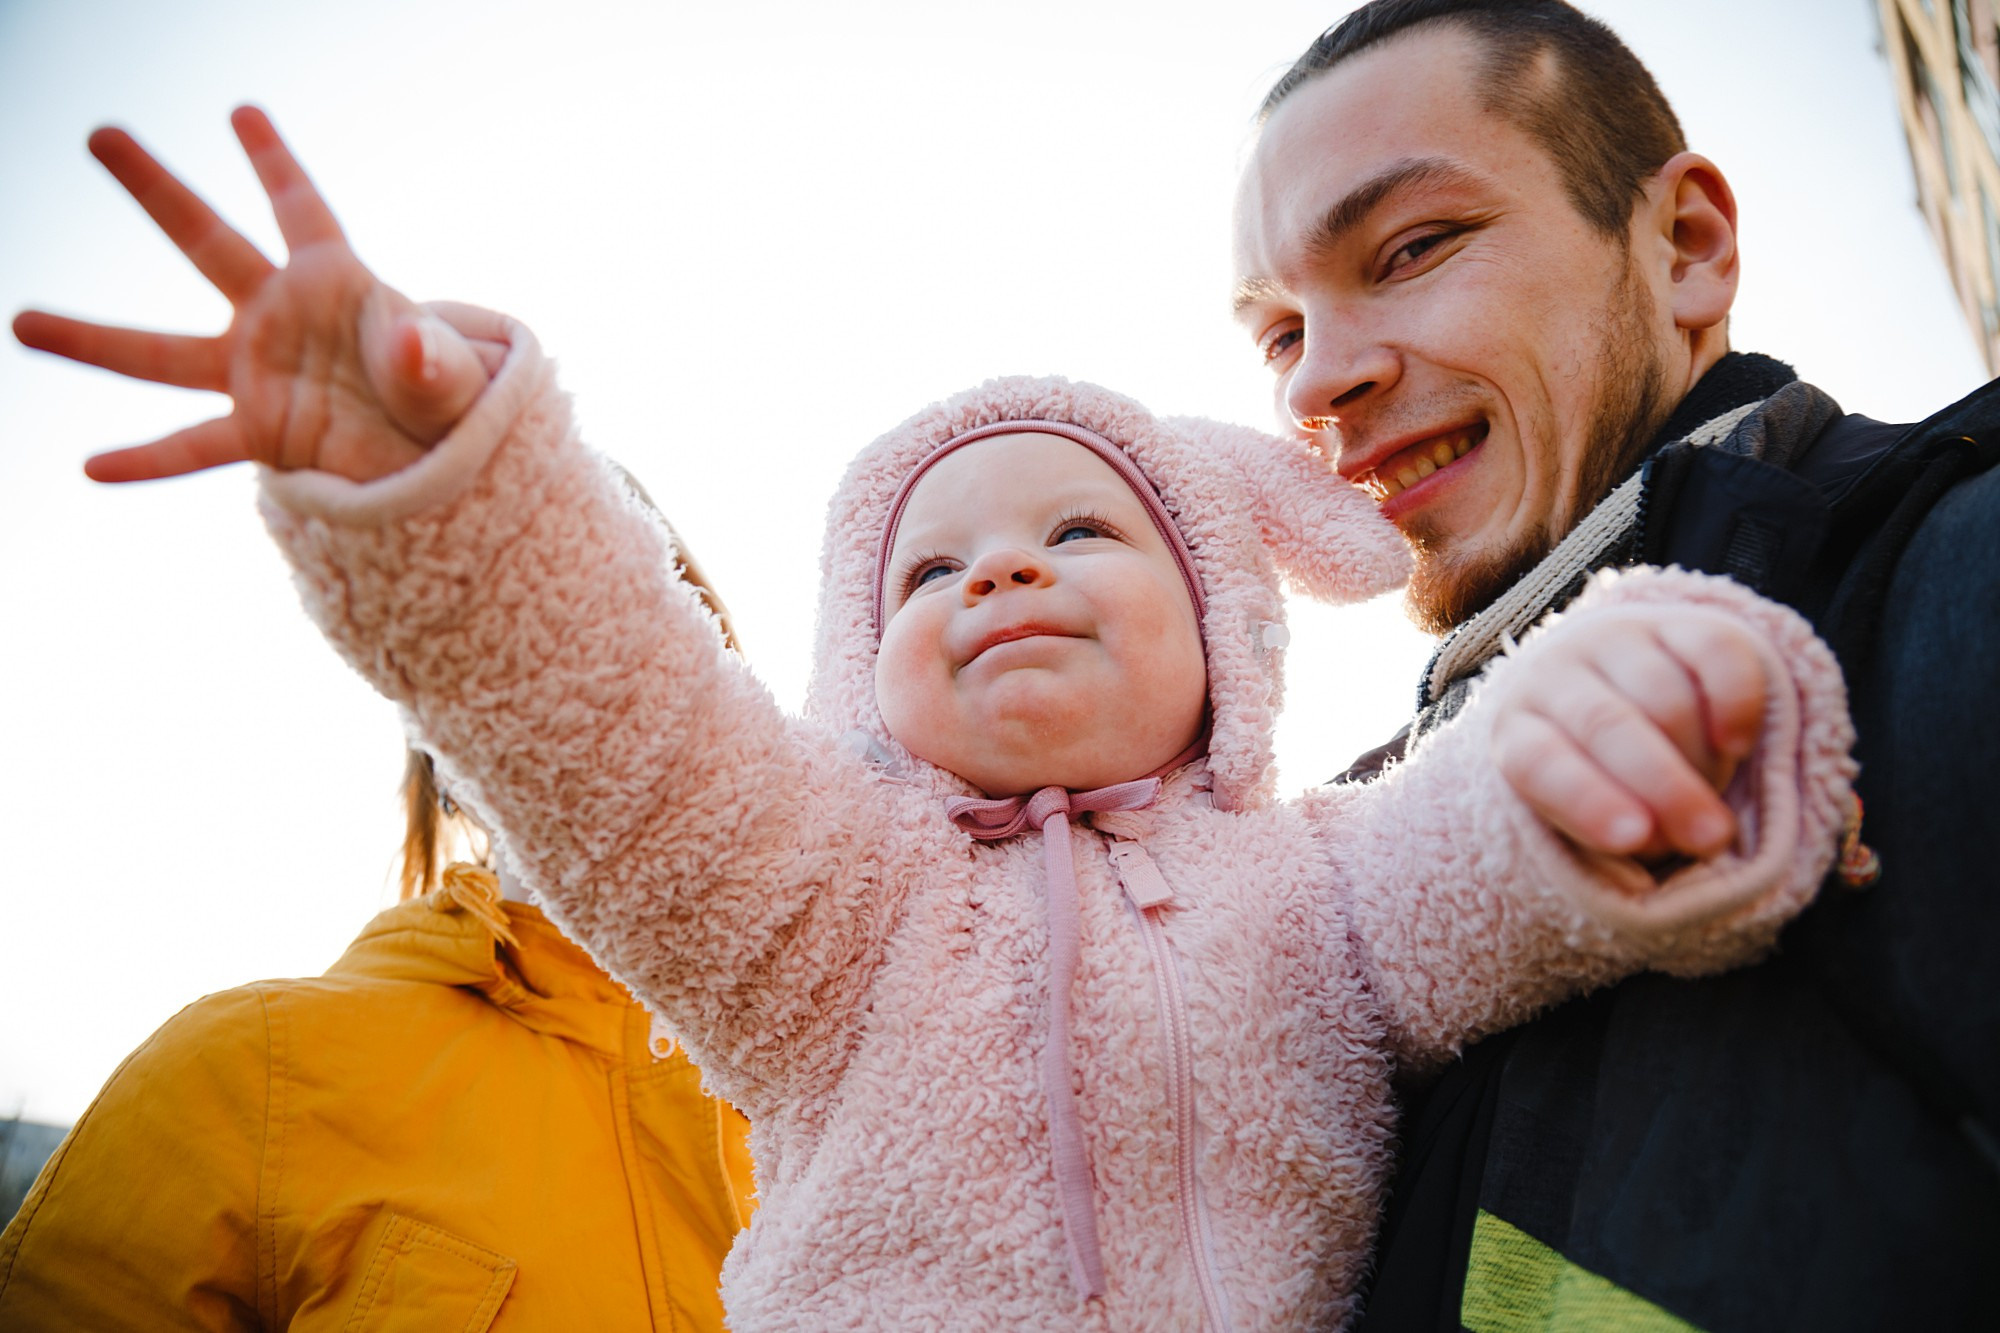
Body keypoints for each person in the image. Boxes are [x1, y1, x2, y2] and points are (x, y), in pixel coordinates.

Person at [12, 111, 1859, 1328]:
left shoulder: (1324, 883)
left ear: (1227, 620)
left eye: (1080, 532)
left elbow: (1505, 835)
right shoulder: (827, 906)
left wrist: (1664, 711)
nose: (999, 577)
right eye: (927, 569)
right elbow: (614, 726)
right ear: (857, 667)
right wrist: (445, 485)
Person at [1228, 2, 2000, 1327]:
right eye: (1282, 333)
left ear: (1686, 247)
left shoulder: (1952, 579)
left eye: (1413, 247)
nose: (1315, 389)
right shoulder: (1343, 850)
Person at [0, 563, 755, 1331]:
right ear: (442, 747)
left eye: (651, 645)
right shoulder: (243, 1076)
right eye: (523, 651)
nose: (599, 701)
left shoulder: (844, 1091)